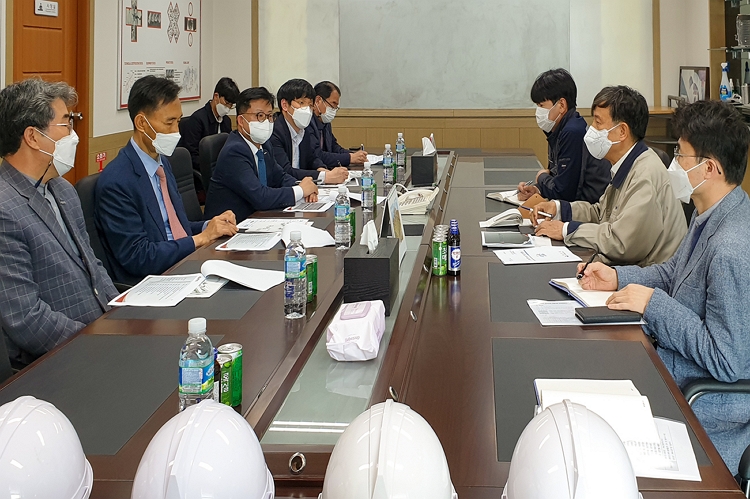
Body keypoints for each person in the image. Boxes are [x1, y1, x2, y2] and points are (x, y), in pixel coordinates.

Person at [577, 100, 750, 475]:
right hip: (678, 371)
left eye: (681, 156)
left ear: (711, 168)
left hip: (705, 406)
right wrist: (619, 277)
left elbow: (727, 360)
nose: (674, 165)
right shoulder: (712, 215)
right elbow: (674, 274)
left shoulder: (730, 248)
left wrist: (653, 304)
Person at [0, 78, 117, 369]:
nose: (73, 135)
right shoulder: (4, 209)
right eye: (66, 124)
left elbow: (93, 267)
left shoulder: (62, 188)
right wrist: (95, 340)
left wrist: (124, 314)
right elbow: (26, 318)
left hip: (103, 335)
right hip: (59, 360)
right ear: (33, 136)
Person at [96, 76, 237, 285]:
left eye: (178, 121)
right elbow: (138, 255)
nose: (176, 132)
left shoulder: (162, 163)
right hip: (154, 282)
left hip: (184, 264)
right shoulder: (117, 181)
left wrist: (211, 225)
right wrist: (200, 239)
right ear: (142, 123)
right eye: (169, 122)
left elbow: (173, 228)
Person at [532, 86, 687, 266]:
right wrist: (559, 209)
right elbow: (602, 214)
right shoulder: (626, 163)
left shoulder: (645, 175)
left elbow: (622, 244)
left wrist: (566, 230)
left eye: (598, 123)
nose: (592, 130)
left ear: (622, 131)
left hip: (646, 279)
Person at [205, 87, 318, 221]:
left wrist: (303, 185)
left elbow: (279, 177)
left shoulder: (264, 144)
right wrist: (300, 190)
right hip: (231, 227)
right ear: (241, 121)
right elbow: (260, 197)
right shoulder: (234, 151)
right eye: (260, 116)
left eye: (269, 116)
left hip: (258, 219)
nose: (266, 121)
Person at [518, 69, 610, 204]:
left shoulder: (572, 131)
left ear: (561, 105)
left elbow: (563, 192)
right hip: (574, 205)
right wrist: (537, 190)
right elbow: (557, 178)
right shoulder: (558, 128)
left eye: (542, 105)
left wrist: (541, 177)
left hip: (588, 210)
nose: (538, 112)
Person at [270, 78, 348, 185]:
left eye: (310, 105)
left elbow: (312, 158)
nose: (306, 109)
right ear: (285, 105)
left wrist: (322, 169)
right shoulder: (275, 132)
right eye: (301, 103)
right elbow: (285, 171)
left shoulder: (303, 129)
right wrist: (324, 177)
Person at [178, 77, 240, 174]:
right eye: (226, 103)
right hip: (205, 171)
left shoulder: (226, 121)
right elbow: (192, 155)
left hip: (222, 168)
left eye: (231, 105)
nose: (228, 108)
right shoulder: (198, 120)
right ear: (216, 96)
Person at [310, 81, 368, 167]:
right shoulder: (307, 123)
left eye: (337, 106)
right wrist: (349, 158)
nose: (334, 109)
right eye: (333, 104)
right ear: (318, 101)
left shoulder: (325, 122)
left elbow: (334, 147)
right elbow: (317, 155)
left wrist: (355, 155)